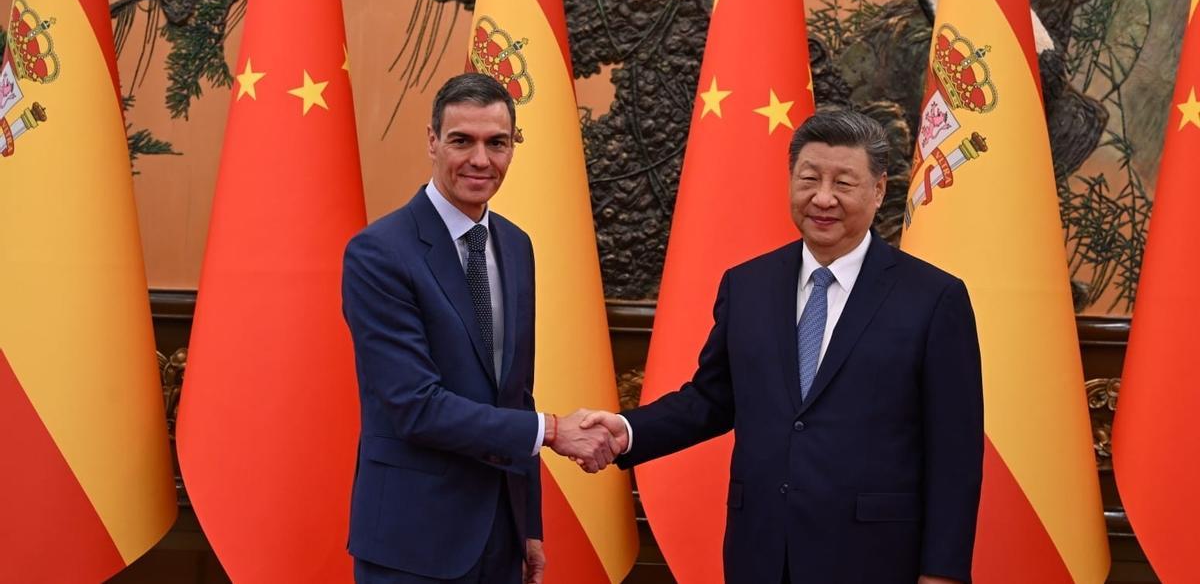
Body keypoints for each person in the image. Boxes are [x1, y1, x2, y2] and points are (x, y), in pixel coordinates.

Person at [582, 108, 984, 584]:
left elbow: (955, 453)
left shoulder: (934, 298)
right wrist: (626, 430)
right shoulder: (748, 285)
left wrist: (942, 573)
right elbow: (712, 399)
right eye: (809, 178)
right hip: (762, 552)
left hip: (874, 558)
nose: (823, 198)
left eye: (844, 183)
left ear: (879, 190)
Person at [342, 73, 619, 584]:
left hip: (500, 538)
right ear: (431, 141)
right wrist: (554, 431)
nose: (480, 160)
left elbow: (515, 395)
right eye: (461, 141)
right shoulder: (379, 253)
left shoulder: (516, 246)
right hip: (413, 541)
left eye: (496, 143)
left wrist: (528, 527)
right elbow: (415, 405)